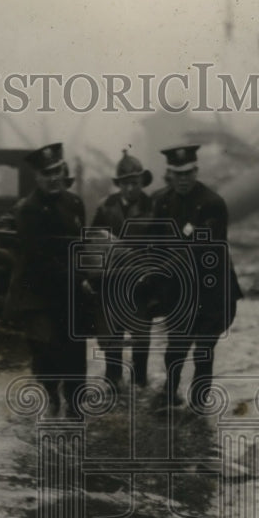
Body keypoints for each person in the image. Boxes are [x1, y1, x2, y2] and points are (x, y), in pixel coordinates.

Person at [151, 145, 242, 411]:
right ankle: (169, 397)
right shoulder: (163, 202)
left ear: (196, 171)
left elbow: (204, 250)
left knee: (203, 351)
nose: (183, 178)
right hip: (180, 291)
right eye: (177, 173)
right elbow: (153, 241)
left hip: (212, 292)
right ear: (170, 173)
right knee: (175, 351)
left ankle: (199, 407)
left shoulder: (212, 204)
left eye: (188, 172)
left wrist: (164, 264)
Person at [1, 143, 88, 417]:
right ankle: (51, 398)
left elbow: (81, 248)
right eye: (46, 173)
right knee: (46, 353)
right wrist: (77, 280)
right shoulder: (29, 210)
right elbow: (39, 259)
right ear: (37, 177)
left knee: (75, 352)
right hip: (40, 295)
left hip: (71, 292)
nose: (53, 178)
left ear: (63, 171)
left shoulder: (74, 203)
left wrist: (85, 278)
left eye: (57, 171)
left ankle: (75, 408)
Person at [90, 150, 154, 389]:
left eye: (135, 183)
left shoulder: (152, 207)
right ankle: (113, 381)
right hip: (110, 283)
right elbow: (93, 242)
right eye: (125, 184)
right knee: (111, 336)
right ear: (119, 184)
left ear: (142, 182)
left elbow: (162, 244)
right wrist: (93, 278)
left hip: (141, 285)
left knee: (140, 337)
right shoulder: (105, 207)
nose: (130, 189)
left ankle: (140, 383)